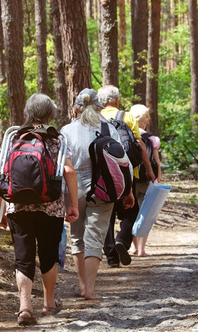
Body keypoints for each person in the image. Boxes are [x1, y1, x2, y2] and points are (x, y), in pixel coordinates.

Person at [6, 94, 79, 326]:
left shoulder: (14, 136)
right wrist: (73, 205)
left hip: (17, 205)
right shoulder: (56, 139)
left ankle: (25, 307)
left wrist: (2, 210)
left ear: (28, 112)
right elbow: (68, 171)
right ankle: (48, 303)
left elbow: (3, 173)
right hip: (51, 206)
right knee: (48, 255)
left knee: (23, 257)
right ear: (50, 114)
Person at [60, 88, 135, 299]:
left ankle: (82, 285)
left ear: (76, 108)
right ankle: (89, 290)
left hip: (73, 191)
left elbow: (61, 166)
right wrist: (127, 191)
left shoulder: (65, 131)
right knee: (95, 237)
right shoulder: (108, 129)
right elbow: (124, 163)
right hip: (104, 190)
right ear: (98, 108)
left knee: (78, 237)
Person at [98, 85, 156, 268]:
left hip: (101, 176)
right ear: (116, 100)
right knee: (131, 211)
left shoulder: (95, 117)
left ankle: (111, 257)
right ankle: (122, 241)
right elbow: (139, 144)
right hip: (126, 173)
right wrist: (149, 169)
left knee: (107, 214)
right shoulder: (126, 116)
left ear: (101, 101)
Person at [130, 104, 163, 257]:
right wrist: (158, 180)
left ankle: (133, 247)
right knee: (146, 213)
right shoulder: (152, 139)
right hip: (147, 180)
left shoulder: (127, 135)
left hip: (131, 181)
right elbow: (157, 162)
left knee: (131, 212)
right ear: (145, 121)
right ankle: (142, 249)